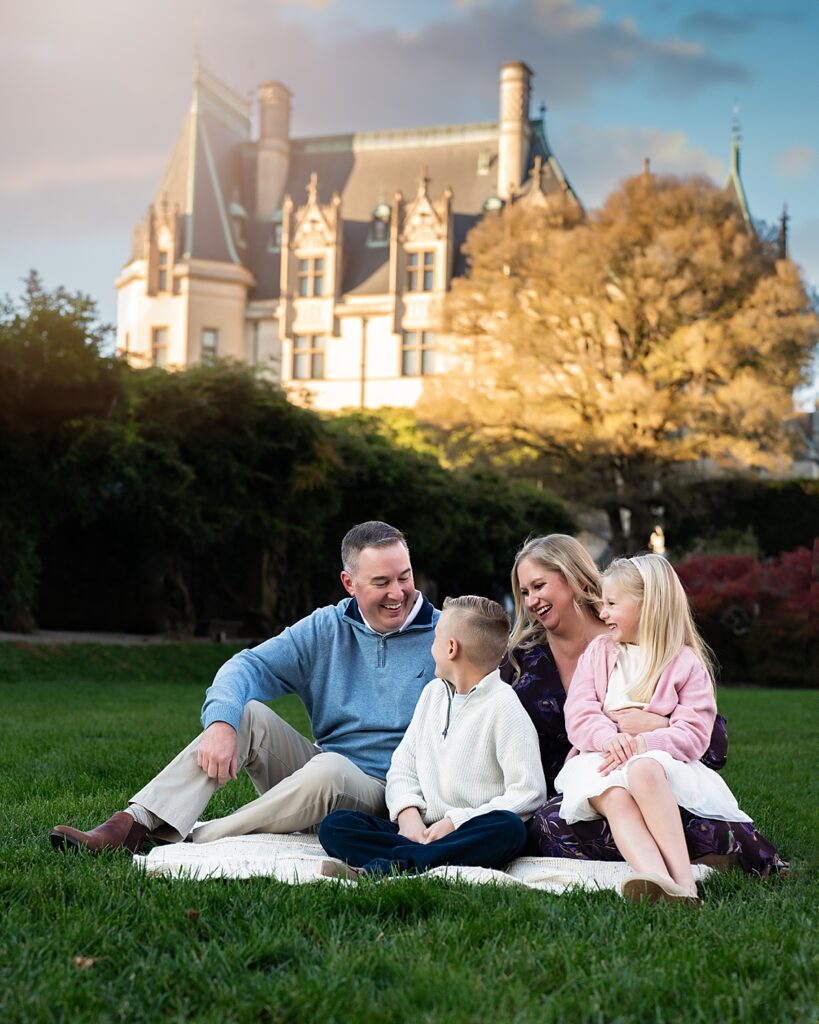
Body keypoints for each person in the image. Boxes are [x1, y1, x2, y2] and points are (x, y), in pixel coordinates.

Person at [50, 521, 440, 853]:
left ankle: (194, 840)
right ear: (349, 583)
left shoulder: (444, 636)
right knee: (247, 714)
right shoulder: (326, 628)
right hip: (322, 773)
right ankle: (135, 822)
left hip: (391, 796)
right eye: (381, 582)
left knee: (330, 769)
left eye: (404, 577)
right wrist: (222, 723)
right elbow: (247, 665)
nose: (398, 593)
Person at [503, 535, 785, 876]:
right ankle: (675, 865)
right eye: (524, 592)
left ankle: (673, 869)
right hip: (582, 789)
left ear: (575, 579)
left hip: (655, 773)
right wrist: (614, 731)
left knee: (687, 817)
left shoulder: (648, 643)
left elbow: (710, 744)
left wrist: (658, 726)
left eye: (538, 586)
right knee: (551, 826)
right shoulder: (521, 662)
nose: (531, 600)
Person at [554, 554, 753, 904]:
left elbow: (694, 733)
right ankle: (660, 881)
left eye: (613, 604)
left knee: (644, 771)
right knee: (614, 797)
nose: (603, 613)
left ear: (650, 607)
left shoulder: (685, 663)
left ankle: (684, 882)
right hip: (600, 758)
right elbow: (580, 712)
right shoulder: (597, 653)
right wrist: (609, 737)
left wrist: (645, 739)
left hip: (660, 761)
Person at [318, 596, 547, 877]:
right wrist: (408, 816)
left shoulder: (505, 707)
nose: (432, 645)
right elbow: (402, 767)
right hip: (421, 832)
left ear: (451, 648)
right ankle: (417, 860)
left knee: (508, 829)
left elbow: (529, 793)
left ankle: (389, 867)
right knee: (335, 825)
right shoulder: (432, 695)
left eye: (436, 637)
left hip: (466, 833)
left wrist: (455, 821)